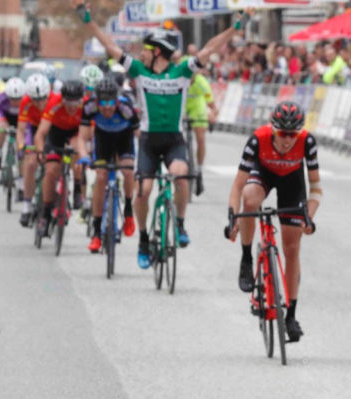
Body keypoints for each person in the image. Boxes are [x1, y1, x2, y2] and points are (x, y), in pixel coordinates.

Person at [74, 0, 246, 268]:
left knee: (180, 176)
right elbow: (110, 46)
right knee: (143, 191)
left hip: (174, 140)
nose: (142, 53)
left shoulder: (181, 71)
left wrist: (235, 28)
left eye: (146, 49)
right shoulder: (139, 71)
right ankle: (144, 239)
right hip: (148, 142)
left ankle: (179, 224)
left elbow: (210, 48)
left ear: (158, 53)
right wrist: (87, 20)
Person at [226, 101, 320, 343]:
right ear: (274, 129)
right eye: (283, 133)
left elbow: (316, 188)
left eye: (293, 134)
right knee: (250, 200)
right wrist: (232, 217)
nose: (288, 139)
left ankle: (291, 315)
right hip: (263, 173)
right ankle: (247, 258)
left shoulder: (307, 142)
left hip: (292, 181)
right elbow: (237, 186)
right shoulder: (258, 139)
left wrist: (309, 216)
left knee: (292, 247)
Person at [80, 77, 138, 253]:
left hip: (124, 139)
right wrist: (84, 156)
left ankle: (128, 211)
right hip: (103, 140)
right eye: (102, 102)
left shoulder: (126, 108)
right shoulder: (89, 107)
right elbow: (82, 137)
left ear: (116, 100)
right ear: (96, 101)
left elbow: (139, 135)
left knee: (128, 171)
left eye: (110, 102)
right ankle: (97, 233)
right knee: (101, 177)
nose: (106, 107)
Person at [33, 79, 90, 238]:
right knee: (51, 171)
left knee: (76, 151)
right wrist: (39, 151)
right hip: (56, 133)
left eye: (75, 103)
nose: (72, 107)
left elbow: (91, 133)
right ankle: (45, 213)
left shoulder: (86, 105)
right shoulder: (54, 103)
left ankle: (78, 189)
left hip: (76, 133)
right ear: (62, 99)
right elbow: (41, 133)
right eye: (68, 103)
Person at [17, 73, 54, 227]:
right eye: (35, 100)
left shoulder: (55, 100)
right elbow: (21, 130)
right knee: (31, 163)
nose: (39, 103)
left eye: (42, 99)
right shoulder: (25, 102)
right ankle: (27, 204)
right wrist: (21, 146)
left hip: (51, 128)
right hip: (33, 128)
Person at [185, 69, 217, 196]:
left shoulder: (201, 82)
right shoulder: (180, 80)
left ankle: (198, 169)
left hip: (197, 110)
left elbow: (211, 104)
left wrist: (212, 115)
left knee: (200, 137)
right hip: (183, 108)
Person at [0, 77, 26, 171]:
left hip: (21, 119)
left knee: (21, 142)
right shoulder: (2, 98)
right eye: (12, 99)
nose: (15, 102)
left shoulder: (27, 100)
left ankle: (20, 159)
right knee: (1, 128)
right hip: (6, 118)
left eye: (18, 99)